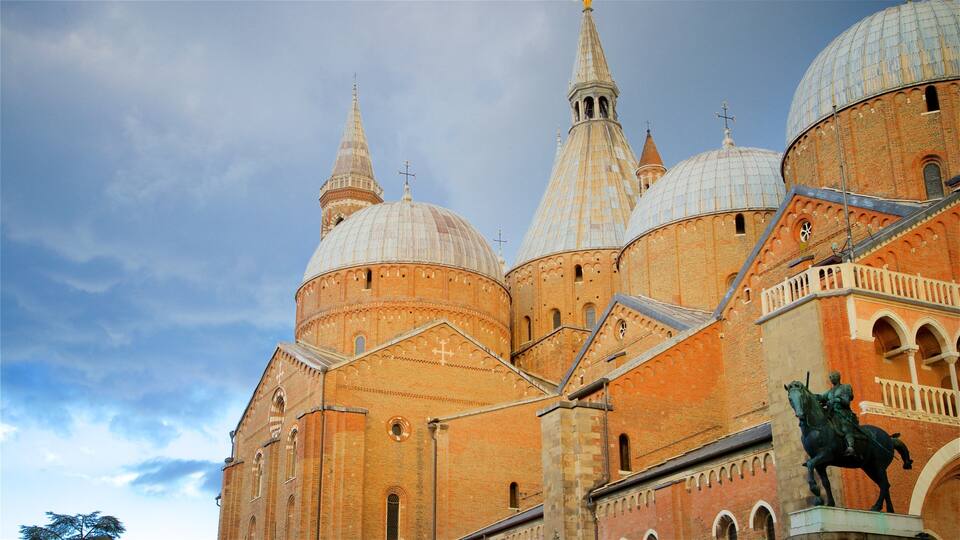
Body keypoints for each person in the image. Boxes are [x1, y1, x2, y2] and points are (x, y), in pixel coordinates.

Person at [817, 371, 858, 456]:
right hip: (831, 413)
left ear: (838, 377)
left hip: (843, 412)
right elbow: (821, 398)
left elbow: (846, 401)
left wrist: (836, 400)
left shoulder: (845, 387)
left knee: (845, 426)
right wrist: (811, 395)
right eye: (830, 377)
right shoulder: (830, 391)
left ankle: (851, 446)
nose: (831, 378)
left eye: (832, 376)